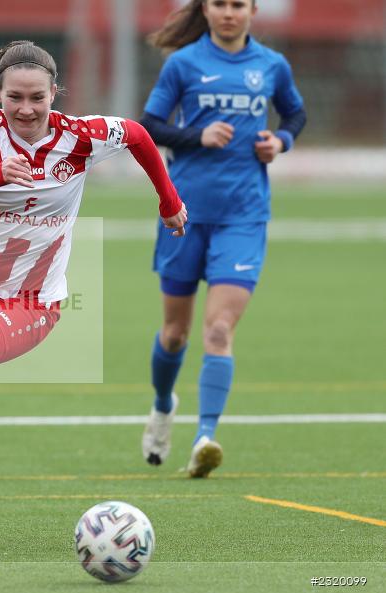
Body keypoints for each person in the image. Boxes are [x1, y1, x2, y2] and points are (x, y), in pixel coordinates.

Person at [0, 40, 188, 539]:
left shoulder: (79, 138)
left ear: (55, 92)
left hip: (31, 299)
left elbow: (137, 135)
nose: (26, 109)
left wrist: (169, 200)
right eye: (15, 98)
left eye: (37, 97)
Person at [138, 0, 306, 477]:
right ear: (206, 10)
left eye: (238, 4)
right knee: (175, 334)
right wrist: (197, 136)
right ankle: (162, 406)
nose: (229, 12)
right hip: (183, 215)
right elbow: (149, 127)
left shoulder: (272, 66)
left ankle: (205, 437)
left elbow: (294, 115)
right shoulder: (184, 63)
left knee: (218, 330)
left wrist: (280, 142)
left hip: (244, 217)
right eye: (219, 4)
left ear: (253, 10)